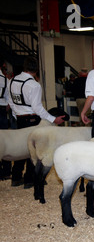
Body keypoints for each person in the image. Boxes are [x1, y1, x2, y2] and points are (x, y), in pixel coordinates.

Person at [6, 56, 65, 187]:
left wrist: (17, 115)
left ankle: (16, 178)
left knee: (20, 148)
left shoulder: (12, 80)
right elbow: (37, 108)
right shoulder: (34, 85)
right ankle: (29, 180)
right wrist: (53, 119)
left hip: (19, 118)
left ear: (24, 67)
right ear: (36, 69)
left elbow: (10, 101)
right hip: (31, 118)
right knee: (33, 150)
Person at [0, 58, 11, 180]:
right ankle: (6, 171)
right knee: (3, 140)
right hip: (2, 108)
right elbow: (9, 100)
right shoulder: (5, 79)